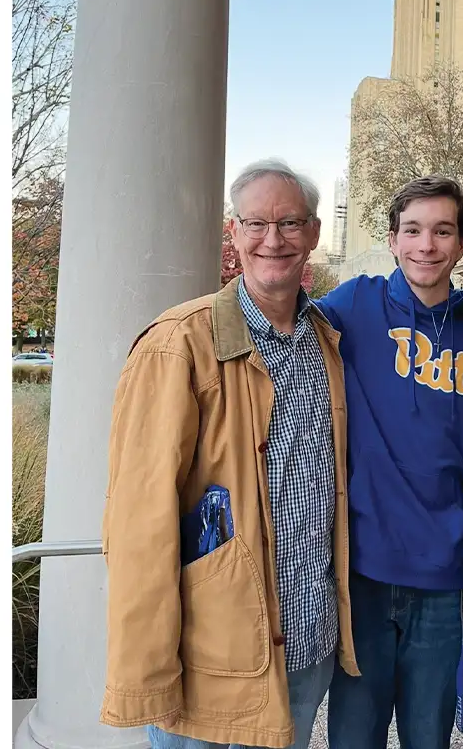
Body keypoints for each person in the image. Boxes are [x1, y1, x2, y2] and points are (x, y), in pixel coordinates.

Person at [99, 159, 359, 749]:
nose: (275, 239)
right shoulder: (178, 343)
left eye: (291, 223)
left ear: (314, 233)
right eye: (257, 223)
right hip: (213, 658)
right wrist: (147, 673)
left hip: (308, 640)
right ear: (234, 232)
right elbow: (140, 521)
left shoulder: (327, 339)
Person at [316, 176, 463, 749]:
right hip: (362, 568)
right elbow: (273, 328)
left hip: (444, 571)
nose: (426, 245)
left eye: (442, 231)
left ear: (460, 244)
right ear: (391, 239)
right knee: (355, 736)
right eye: (412, 231)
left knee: (427, 737)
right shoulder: (354, 303)